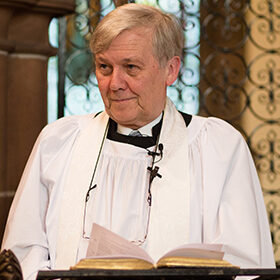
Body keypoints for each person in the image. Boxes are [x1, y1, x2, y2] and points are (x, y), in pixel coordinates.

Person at [1, 3, 275, 280]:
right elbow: (23, 254)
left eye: (131, 67)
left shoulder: (218, 148)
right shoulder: (59, 142)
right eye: (104, 67)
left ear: (171, 70)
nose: (114, 83)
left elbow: (243, 265)